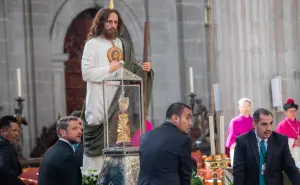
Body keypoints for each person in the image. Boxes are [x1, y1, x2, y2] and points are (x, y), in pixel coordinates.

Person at [81, 7, 154, 171]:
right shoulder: (92, 44)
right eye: (109, 22)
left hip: (120, 107)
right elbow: (86, 74)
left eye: (115, 22)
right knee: (98, 159)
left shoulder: (123, 44)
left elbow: (132, 70)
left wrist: (144, 69)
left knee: (118, 157)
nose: (113, 25)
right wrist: (110, 68)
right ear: (101, 23)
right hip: (99, 104)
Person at [233, 108, 300, 185]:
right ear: (254, 125)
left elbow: (290, 168)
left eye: (270, 123)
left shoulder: (280, 140)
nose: (269, 128)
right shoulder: (243, 141)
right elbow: (238, 172)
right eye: (264, 124)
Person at [138, 102, 193, 185]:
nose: (190, 123)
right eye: (187, 118)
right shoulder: (183, 139)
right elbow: (185, 176)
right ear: (175, 118)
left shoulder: (146, 136)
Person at [38, 116, 83, 185]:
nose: (80, 132)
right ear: (63, 132)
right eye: (75, 129)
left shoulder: (52, 150)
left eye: (80, 128)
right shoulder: (67, 157)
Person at [0, 115, 24, 185]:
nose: (17, 134)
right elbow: (3, 169)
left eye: (18, 131)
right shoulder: (4, 146)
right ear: (3, 131)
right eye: (14, 131)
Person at [276, 98, 300, 167]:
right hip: (290, 155)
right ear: (285, 112)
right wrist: (293, 142)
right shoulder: (281, 125)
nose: (293, 113)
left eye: (295, 111)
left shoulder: (299, 123)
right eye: (291, 111)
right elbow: (278, 141)